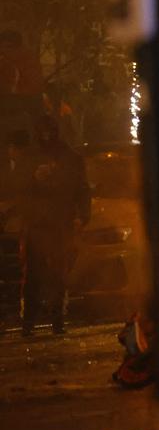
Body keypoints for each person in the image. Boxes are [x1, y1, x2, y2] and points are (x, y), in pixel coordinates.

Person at [17, 116, 90, 336]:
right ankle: (29, 323)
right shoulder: (30, 158)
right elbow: (19, 188)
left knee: (58, 275)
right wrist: (34, 178)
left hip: (60, 223)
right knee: (34, 277)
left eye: (49, 131)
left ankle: (56, 321)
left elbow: (82, 190)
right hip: (38, 225)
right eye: (42, 132)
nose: (45, 136)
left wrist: (83, 216)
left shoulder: (71, 158)